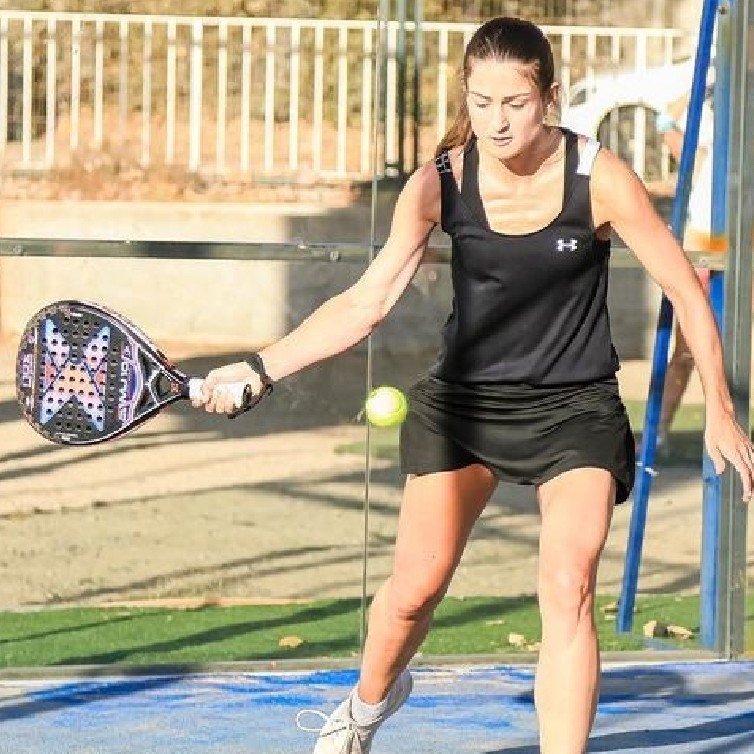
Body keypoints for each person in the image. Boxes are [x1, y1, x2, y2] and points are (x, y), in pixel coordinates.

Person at [193, 17, 754, 754]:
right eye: (482, 102)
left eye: (515, 103)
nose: (498, 121)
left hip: (575, 410)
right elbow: (365, 303)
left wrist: (720, 408)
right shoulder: (439, 183)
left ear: (549, 97)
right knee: (413, 593)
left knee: (568, 585)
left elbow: (685, 290)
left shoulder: (600, 177)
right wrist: (261, 367)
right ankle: (364, 709)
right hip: (465, 407)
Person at [655, 91, 715, 448]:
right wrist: (699, 90)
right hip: (702, 247)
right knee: (686, 348)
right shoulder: (703, 152)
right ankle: (660, 430)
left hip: (739, 247)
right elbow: (664, 121)